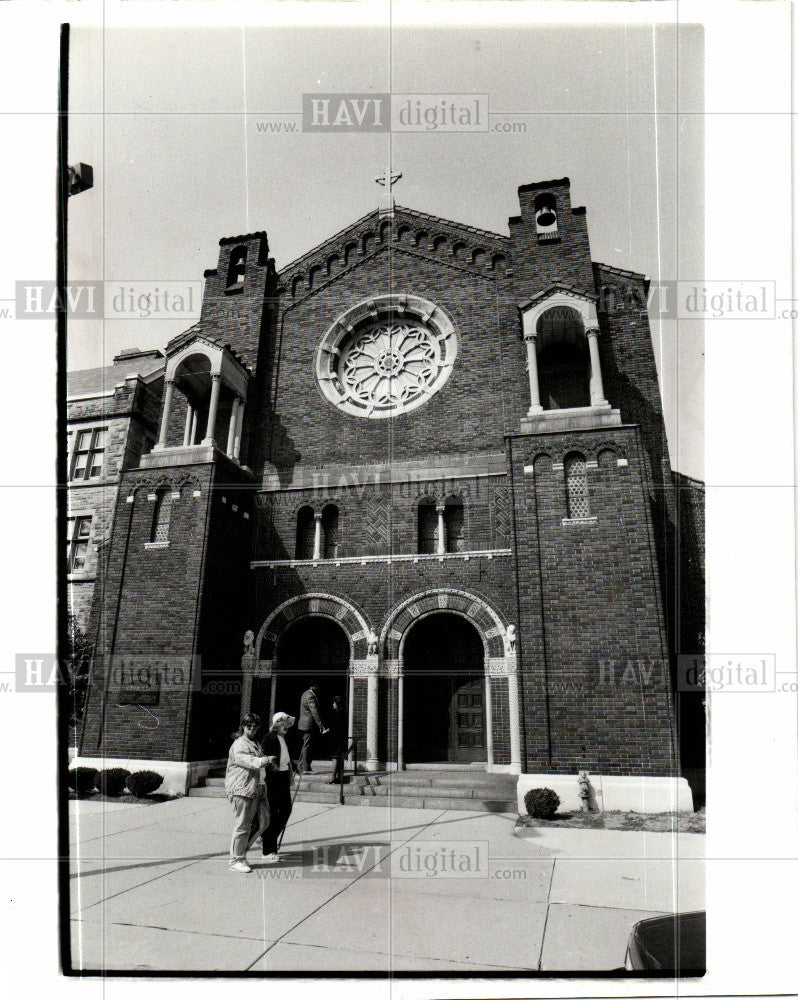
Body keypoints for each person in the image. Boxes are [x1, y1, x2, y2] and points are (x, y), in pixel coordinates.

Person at [225, 713, 273, 874]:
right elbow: (249, 761)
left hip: (258, 788)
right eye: (248, 726)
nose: (252, 729)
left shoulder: (255, 743)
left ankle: (241, 851)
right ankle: (236, 859)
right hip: (243, 788)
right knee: (242, 825)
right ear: (243, 727)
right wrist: (264, 760)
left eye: (254, 726)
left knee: (263, 822)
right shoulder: (239, 744)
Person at [255, 712, 298, 863]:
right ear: (277, 724)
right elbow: (262, 758)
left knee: (286, 809)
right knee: (273, 812)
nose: (286, 726)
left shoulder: (283, 738)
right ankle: (268, 850)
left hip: (283, 777)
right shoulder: (269, 739)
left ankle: (266, 837)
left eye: (287, 723)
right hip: (273, 779)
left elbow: (285, 758)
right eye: (284, 723)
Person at [297, 679, 328, 773]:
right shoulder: (310, 696)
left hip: (303, 723)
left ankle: (301, 766)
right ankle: (305, 768)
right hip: (308, 724)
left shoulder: (304, 694)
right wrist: (321, 726)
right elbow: (314, 711)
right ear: (313, 686)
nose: (318, 688)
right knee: (307, 746)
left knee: (306, 745)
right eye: (316, 686)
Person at [327, 695, 347, 784]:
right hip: (342, 738)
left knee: (335, 757)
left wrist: (326, 730)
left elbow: (333, 726)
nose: (333, 705)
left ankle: (333, 777)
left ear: (336, 703)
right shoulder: (344, 713)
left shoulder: (336, 714)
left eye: (334, 703)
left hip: (335, 738)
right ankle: (340, 776)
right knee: (340, 757)